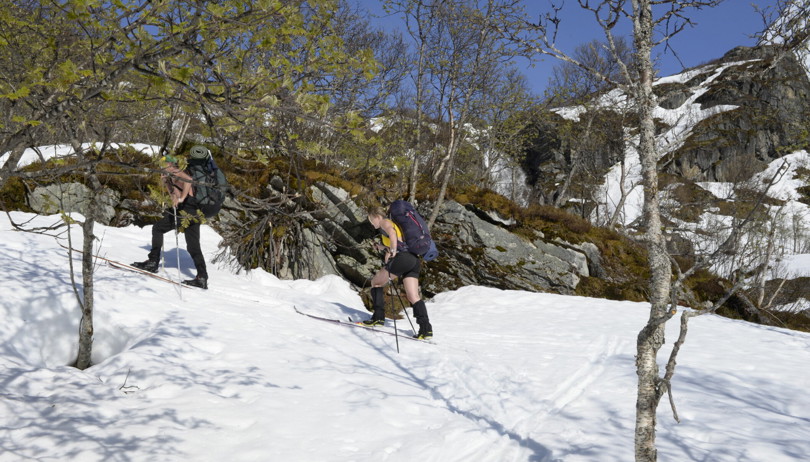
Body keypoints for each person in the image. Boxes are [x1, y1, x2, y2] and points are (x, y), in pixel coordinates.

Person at [132, 154, 209, 289]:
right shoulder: (171, 175)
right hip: (194, 212)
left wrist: (181, 199)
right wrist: (167, 183)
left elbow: (189, 181)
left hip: (186, 210)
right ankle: (202, 277)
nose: (161, 166)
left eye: (163, 164)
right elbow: (175, 194)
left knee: (157, 228)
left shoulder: (176, 171)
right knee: (193, 246)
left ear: (169, 164)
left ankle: (153, 261)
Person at [364, 206, 433, 339]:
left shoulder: (385, 222)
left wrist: (393, 250)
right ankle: (426, 329)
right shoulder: (397, 225)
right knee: (413, 296)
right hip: (413, 260)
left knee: (375, 283)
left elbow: (392, 233)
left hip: (402, 258)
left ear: (377, 217)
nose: (372, 225)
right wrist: (383, 247)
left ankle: (378, 318)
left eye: (372, 221)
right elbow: (400, 241)